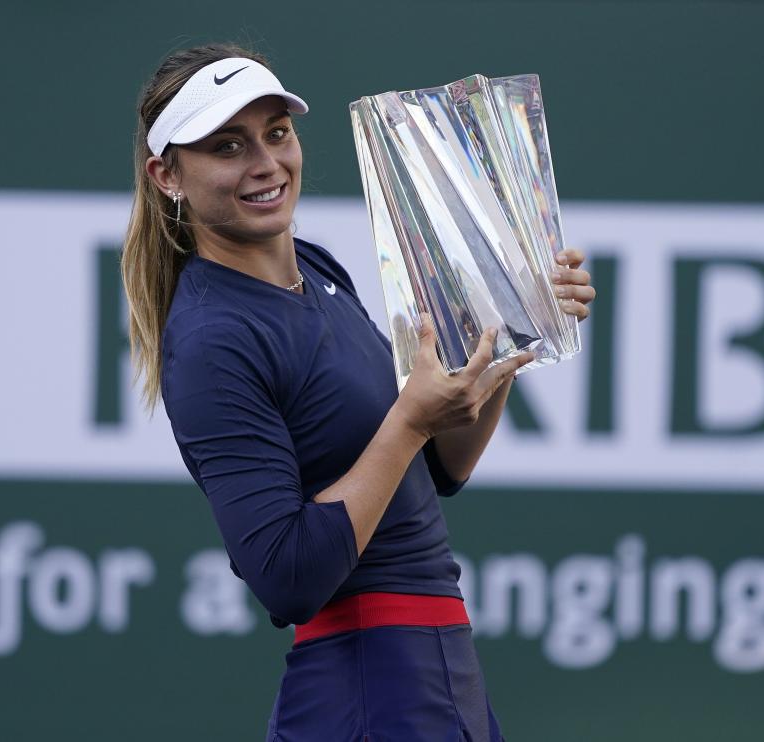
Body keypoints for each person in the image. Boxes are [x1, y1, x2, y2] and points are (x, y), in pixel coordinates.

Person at [121, 43, 595, 742]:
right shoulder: (212, 338)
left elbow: (443, 466)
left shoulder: (316, 268)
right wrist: (407, 422)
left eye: (276, 133)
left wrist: (516, 322)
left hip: (438, 676)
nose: (265, 163)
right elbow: (285, 577)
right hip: (370, 689)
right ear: (168, 177)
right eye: (227, 146)